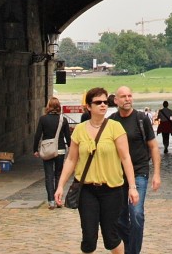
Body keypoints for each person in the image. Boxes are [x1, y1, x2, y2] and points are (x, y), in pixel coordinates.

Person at [56, 87, 138, 254]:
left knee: (111, 237)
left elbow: (125, 158)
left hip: (112, 190)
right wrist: (60, 186)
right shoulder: (79, 130)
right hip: (87, 189)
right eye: (98, 102)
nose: (103, 105)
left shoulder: (115, 128)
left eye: (105, 102)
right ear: (88, 106)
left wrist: (132, 187)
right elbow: (71, 159)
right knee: (88, 238)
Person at [111, 86, 161, 254]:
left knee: (137, 214)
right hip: (118, 174)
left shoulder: (141, 119)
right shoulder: (111, 121)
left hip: (139, 172)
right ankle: (128, 248)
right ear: (116, 100)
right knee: (120, 218)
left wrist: (157, 174)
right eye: (123, 96)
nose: (127, 99)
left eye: (130, 96)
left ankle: (133, 252)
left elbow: (153, 147)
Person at [33, 96, 72, 208]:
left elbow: (37, 135)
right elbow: (67, 137)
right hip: (60, 150)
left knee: (49, 175)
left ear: (48, 106)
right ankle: (58, 198)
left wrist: (35, 149)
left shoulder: (43, 119)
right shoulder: (63, 120)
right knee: (58, 174)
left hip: (47, 150)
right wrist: (71, 149)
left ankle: (51, 200)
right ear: (59, 107)